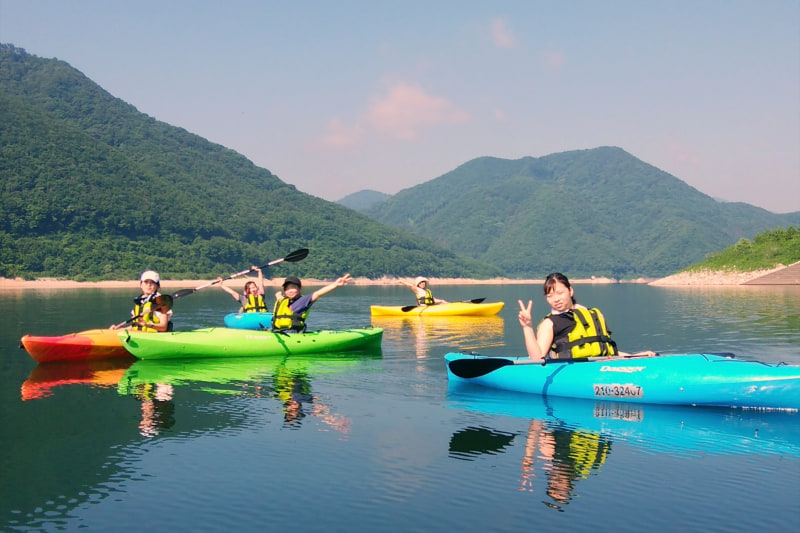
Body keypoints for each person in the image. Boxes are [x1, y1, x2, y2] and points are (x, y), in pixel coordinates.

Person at [517, 272, 656, 361]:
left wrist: (635, 357)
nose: (556, 299)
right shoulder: (550, 323)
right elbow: (536, 359)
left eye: (560, 293)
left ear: (570, 291)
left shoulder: (593, 314)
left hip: (601, 366)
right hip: (573, 373)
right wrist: (527, 326)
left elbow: (605, 349)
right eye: (550, 296)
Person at [271, 273, 353, 332]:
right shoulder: (284, 301)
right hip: (278, 332)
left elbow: (318, 293)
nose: (289, 291)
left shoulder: (303, 301)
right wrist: (278, 295)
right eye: (287, 289)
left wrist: (335, 284)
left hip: (292, 334)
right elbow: (280, 297)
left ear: (299, 289)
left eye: (293, 288)